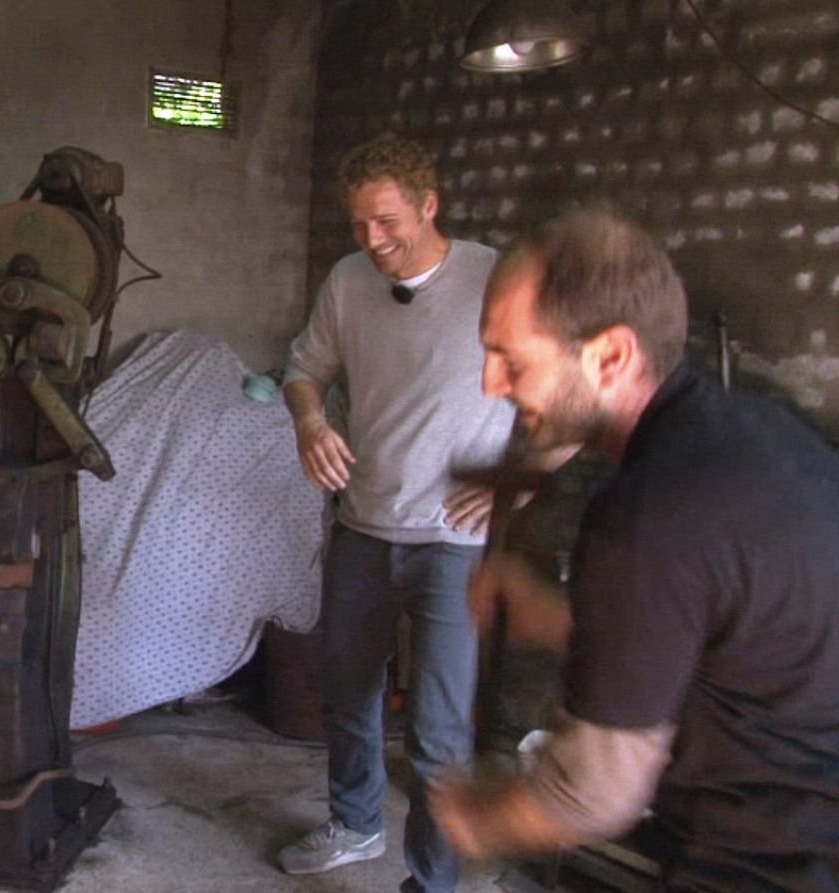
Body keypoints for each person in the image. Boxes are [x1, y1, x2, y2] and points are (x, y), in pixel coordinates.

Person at [432, 208, 839, 890]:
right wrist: (559, 620)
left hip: (763, 865)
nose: (490, 384)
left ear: (611, 356)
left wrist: (477, 813)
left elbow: (590, 796)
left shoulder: (646, 513)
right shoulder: (759, 436)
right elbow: (724, 644)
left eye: (511, 360)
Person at [277, 134, 514, 892]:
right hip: (364, 527)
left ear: (428, 205)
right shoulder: (348, 281)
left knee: (439, 733)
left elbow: (570, 392)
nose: (372, 240)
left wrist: (519, 483)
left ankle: (432, 881)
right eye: (358, 224)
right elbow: (305, 370)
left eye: (386, 221)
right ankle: (355, 822)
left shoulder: (496, 279)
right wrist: (310, 422)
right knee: (347, 697)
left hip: (454, 541)